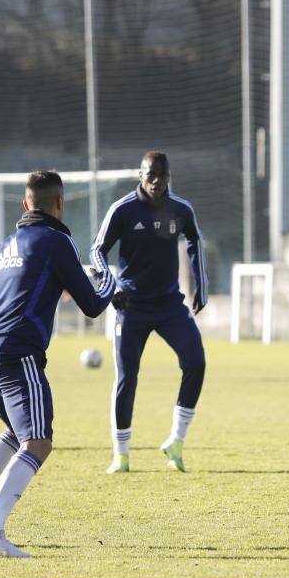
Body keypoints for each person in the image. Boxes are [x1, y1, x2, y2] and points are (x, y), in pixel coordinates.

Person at [0, 171, 115, 558]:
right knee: (37, 441)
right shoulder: (57, 240)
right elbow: (92, 304)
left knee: (14, 431)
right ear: (60, 203)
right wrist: (109, 280)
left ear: (25, 204)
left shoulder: (7, 244)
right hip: (18, 354)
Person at [90, 151, 208, 474]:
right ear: (140, 176)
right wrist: (110, 286)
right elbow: (97, 250)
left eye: (164, 175)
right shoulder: (123, 210)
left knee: (196, 363)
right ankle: (121, 456)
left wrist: (201, 285)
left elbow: (196, 241)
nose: (158, 181)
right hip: (131, 306)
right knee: (127, 378)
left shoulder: (180, 209)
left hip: (170, 304)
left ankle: (177, 442)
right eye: (151, 175)